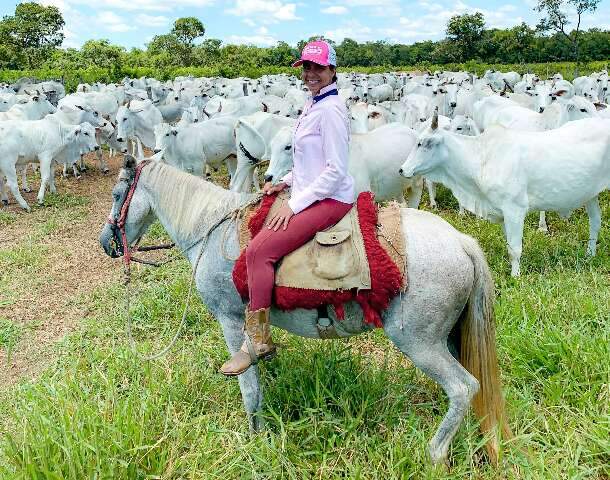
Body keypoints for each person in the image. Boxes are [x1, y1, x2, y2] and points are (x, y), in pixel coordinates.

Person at [221, 40, 355, 376]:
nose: (310, 74)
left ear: (332, 70)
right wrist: (287, 180)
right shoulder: (314, 104)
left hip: (331, 198)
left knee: (258, 252)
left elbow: (335, 170)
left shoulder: (332, 111)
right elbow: (310, 162)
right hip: (311, 189)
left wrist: (294, 204)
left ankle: (257, 339)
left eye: (317, 68)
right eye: (306, 67)